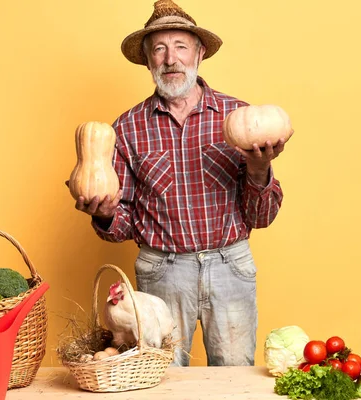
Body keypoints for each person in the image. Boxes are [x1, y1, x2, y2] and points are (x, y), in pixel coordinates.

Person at [72, 0, 292, 366]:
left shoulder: (238, 117)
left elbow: (263, 217)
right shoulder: (126, 129)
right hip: (163, 272)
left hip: (230, 266)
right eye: (159, 48)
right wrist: (107, 214)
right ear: (147, 60)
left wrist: (258, 170)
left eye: (180, 47)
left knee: (235, 380)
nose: (170, 58)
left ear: (199, 53)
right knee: (163, 380)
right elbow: (121, 226)